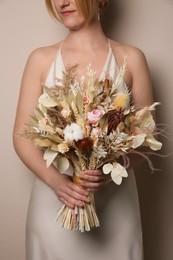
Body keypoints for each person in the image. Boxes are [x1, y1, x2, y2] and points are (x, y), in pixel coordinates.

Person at [13, 0, 154, 259]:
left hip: (116, 207)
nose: (61, 3)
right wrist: (57, 183)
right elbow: (21, 136)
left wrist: (109, 172)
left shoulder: (132, 58)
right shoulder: (40, 59)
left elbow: (146, 137)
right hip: (54, 204)